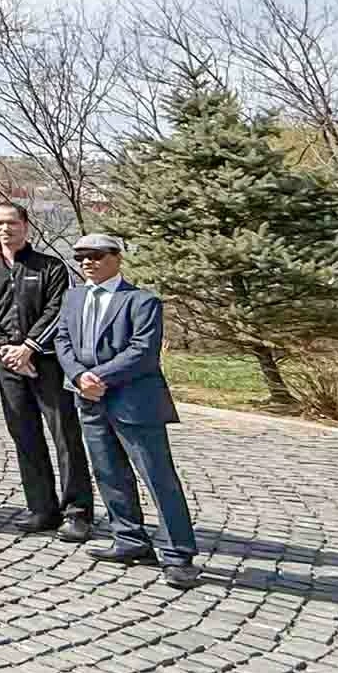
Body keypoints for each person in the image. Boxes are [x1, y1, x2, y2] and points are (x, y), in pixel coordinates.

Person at [54, 234, 201, 589]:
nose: (87, 262)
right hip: (89, 399)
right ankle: (129, 538)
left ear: (117, 258)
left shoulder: (142, 301)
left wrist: (98, 377)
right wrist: (79, 377)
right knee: (108, 472)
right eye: (80, 257)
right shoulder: (73, 297)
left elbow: (143, 352)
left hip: (134, 402)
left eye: (96, 255)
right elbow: (62, 339)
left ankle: (178, 555)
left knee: (158, 477)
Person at [0, 201, 93, 540]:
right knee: (25, 435)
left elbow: (58, 309)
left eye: (12, 222)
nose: (5, 228)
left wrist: (29, 347)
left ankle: (78, 512)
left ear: (25, 225)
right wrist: (7, 351)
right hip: (8, 364)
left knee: (65, 436)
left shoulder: (51, 267)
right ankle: (42, 508)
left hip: (48, 363)